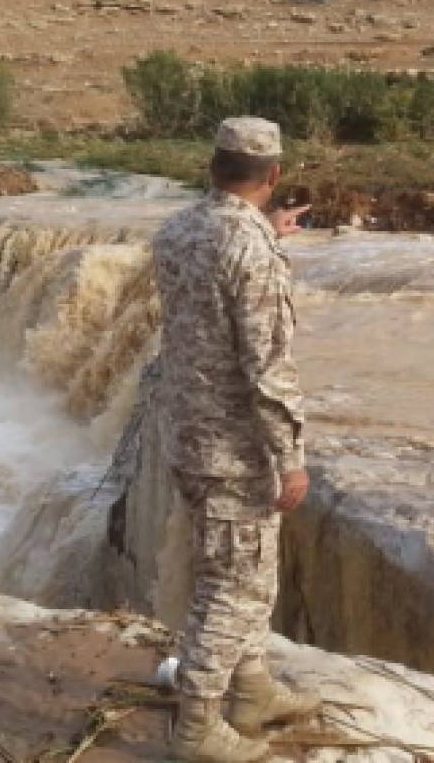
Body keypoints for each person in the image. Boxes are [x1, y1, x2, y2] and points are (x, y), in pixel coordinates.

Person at [151, 116, 319, 761]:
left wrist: (264, 231)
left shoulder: (178, 229)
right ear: (273, 175)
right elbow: (267, 367)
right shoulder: (251, 250)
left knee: (249, 568)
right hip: (234, 449)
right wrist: (291, 458)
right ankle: (196, 728)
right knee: (232, 585)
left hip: (185, 430)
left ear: (212, 166)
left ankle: (251, 690)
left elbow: (211, 286)